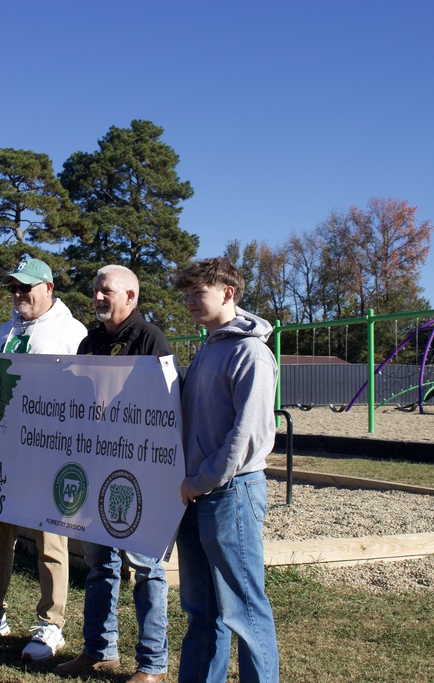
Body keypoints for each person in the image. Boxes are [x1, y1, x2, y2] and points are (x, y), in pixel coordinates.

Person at [0, 256, 88, 661]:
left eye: (26, 287)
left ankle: (51, 624)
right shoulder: (2, 332)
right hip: (5, 454)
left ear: (49, 288)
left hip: (51, 453)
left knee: (50, 539)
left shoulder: (70, 332)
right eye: (14, 287)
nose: (18, 294)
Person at [56, 265, 173, 683]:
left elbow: (165, 405)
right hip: (94, 468)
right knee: (100, 564)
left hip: (138, 472)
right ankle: (98, 651)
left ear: (130, 297)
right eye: (96, 290)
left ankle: (152, 665)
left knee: (146, 569)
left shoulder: (150, 339)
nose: (99, 297)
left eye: (106, 291)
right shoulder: (89, 341)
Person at [173, 257, 280, 683]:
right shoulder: (209, 347)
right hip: (196, 496)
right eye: (187, 294)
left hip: (230, 494)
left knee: (245, 610)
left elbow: (245, 437)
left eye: (198, 293)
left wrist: (199, 481)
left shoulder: (250, 352)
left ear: (228, 293)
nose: (189, 303)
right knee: (202, 611)